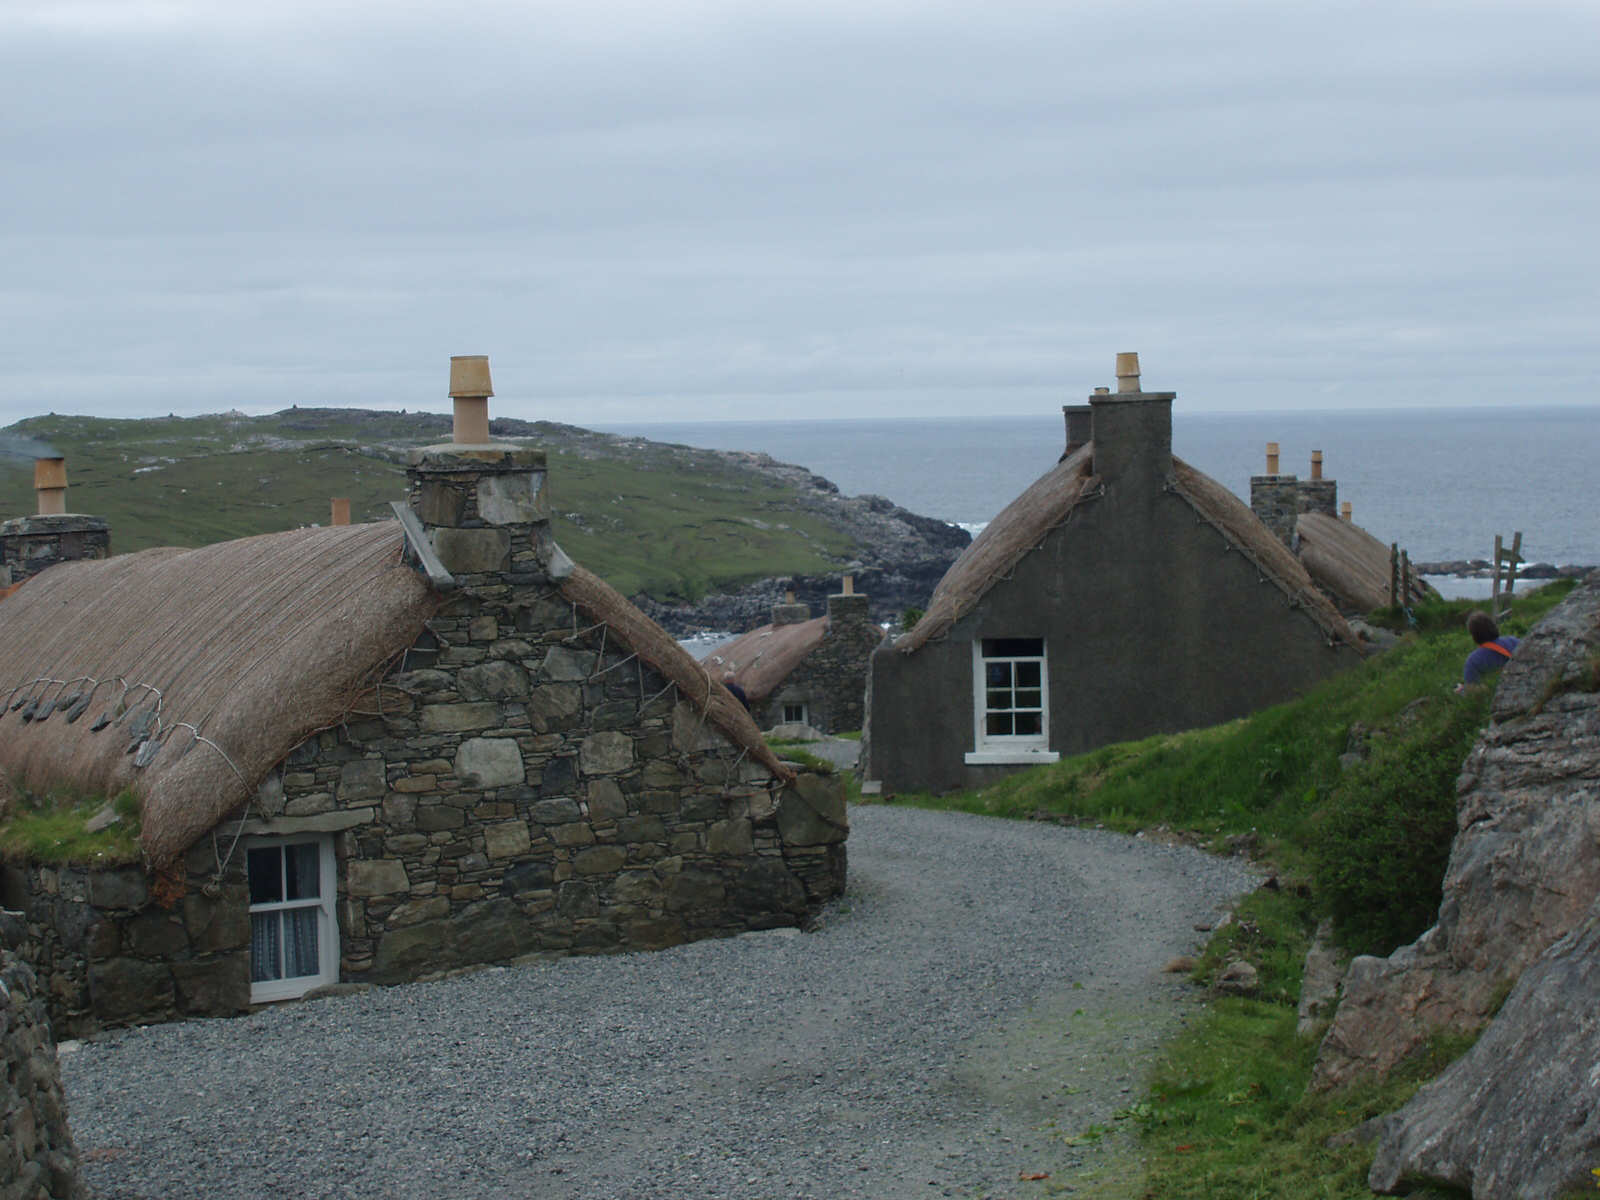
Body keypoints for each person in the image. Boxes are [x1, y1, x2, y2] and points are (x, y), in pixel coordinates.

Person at [1458, 610, 1518, 690]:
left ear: (1474, 635)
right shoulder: (1513, 641)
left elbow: (1473, 690)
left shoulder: (1473, 661)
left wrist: (1463, 690)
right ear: (1493, 626)